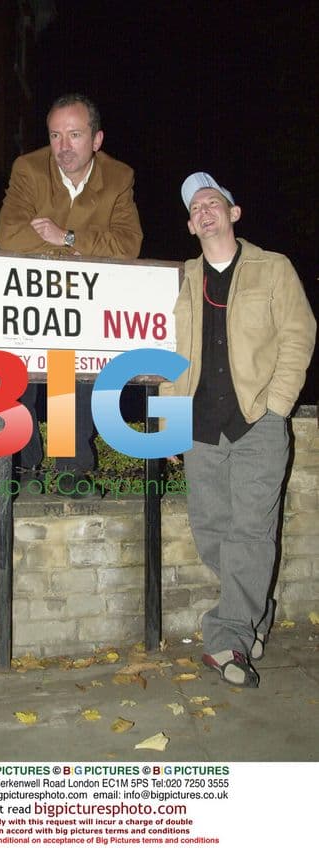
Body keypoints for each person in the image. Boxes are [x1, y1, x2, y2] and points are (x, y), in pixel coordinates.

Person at [165, 171, 316, 687]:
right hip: (199, 428)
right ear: (190, 225)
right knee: (212, 533)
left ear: (233, 213)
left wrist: (276, 406)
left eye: (214, 202)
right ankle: (255, 616)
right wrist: (168, 425)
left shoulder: (273, 269)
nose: (205, 210)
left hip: (257, 423)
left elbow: (299, 334)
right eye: (195, 208)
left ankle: (225, 639)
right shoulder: (182, 277)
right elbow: (169, 355)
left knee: (250, 532)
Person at [0, 93, 143, 492]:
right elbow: (7, 235)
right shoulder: (27, 169)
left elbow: (129, 245)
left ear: (96, 139)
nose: (62, 147)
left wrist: (65, 236)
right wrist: (78, 249)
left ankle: (68, 475)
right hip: (29, 299)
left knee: (71, 380)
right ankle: (23, 473)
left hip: (81, 307)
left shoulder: (119, 177)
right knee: (15, 379)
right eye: (55, 135)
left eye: (74, 135)